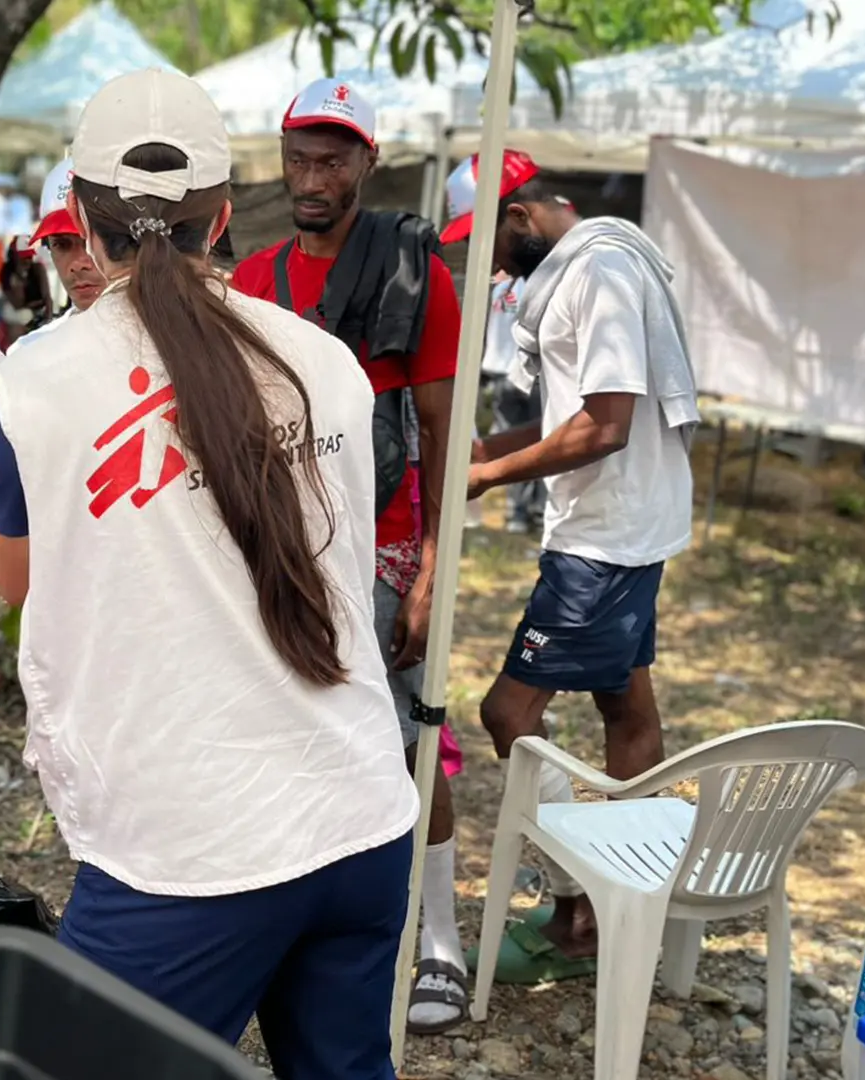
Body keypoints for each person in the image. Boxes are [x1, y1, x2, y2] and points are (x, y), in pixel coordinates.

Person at [0, 69, 419, 1079]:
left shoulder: (29, 382)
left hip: (194, 846)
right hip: (360, 811)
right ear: (223, 217)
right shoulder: (323, 363)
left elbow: (17, 583)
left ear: (78, 214)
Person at [228, 77, 469, 1034]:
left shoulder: (421, 277)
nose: (312, 176)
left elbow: (447, 434)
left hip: (387, 540)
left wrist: (437, 574)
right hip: (283, 539)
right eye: (298, 158)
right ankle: (296, 922)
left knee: (405, 733)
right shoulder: (254, 281)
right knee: (287, 723)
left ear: (369, 162)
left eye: (332, 159)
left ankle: (439, 936)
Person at [466, 154, 699, 974]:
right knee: (625, 711)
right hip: (627, 527)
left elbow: (604, 426)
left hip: (603, 542)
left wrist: (489, 474)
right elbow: (575, 418)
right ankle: (621, 914)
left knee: (508, 715)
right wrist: (486, 444)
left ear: (522, 216)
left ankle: (579, 908)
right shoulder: (594, 264)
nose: (491, 268)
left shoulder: (597, 272)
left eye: (490, 246)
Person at [444, 153, 542, 533]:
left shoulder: (570, 280)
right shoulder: (507, 275)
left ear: (518, 217)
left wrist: (487, 469)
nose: (479, 254)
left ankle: (527, 512)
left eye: (479, 237)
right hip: (504, 370)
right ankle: (522, 512)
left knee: (530, 441)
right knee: (518, 437)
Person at [7, 157, 107, 351]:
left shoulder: (172, 341)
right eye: (61, 244)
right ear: (48, 249)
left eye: (91, 240)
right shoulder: (29, 353)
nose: (78, 264)